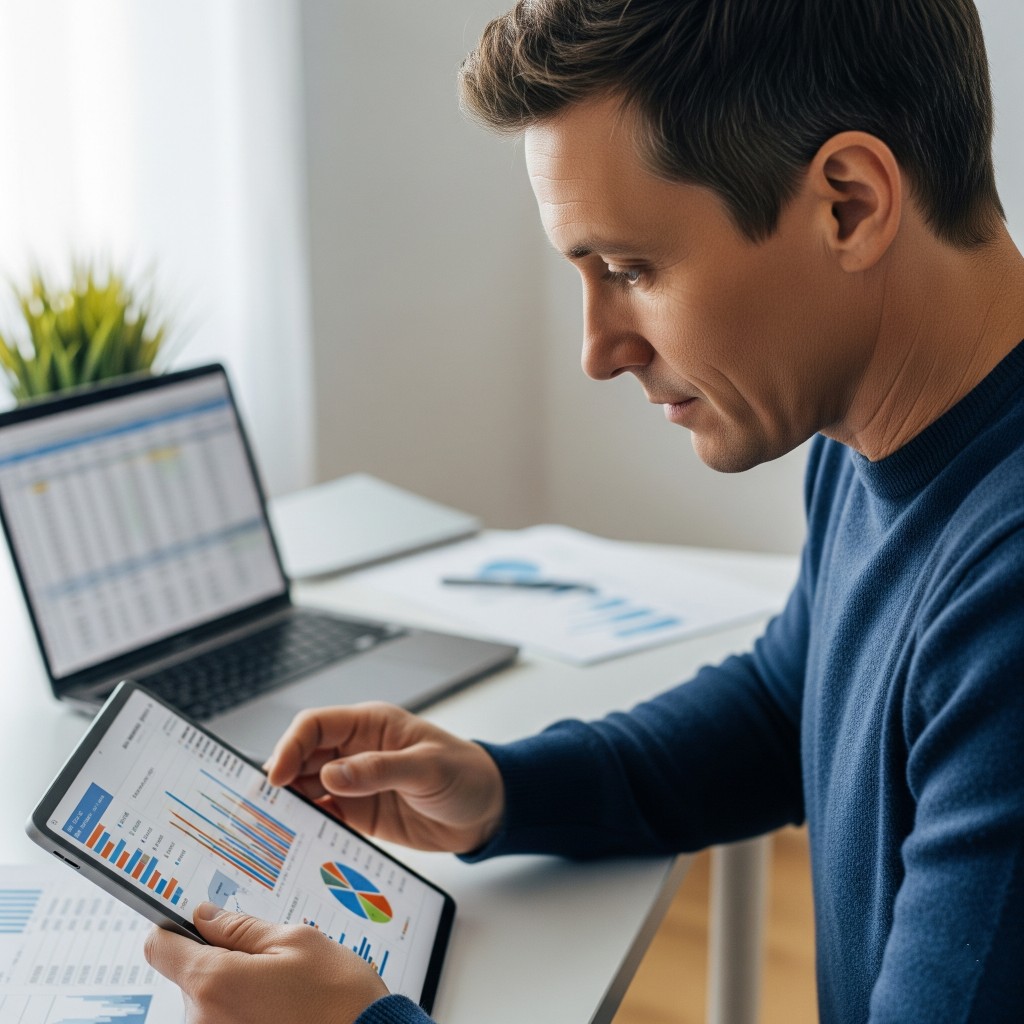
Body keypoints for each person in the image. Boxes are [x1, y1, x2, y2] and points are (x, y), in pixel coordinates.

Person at [144, 1, 1024, 1021]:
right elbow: (789, 705)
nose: (598, 349)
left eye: (629, 271)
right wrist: (503, 788)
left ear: (848, 206)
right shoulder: (877, 425)